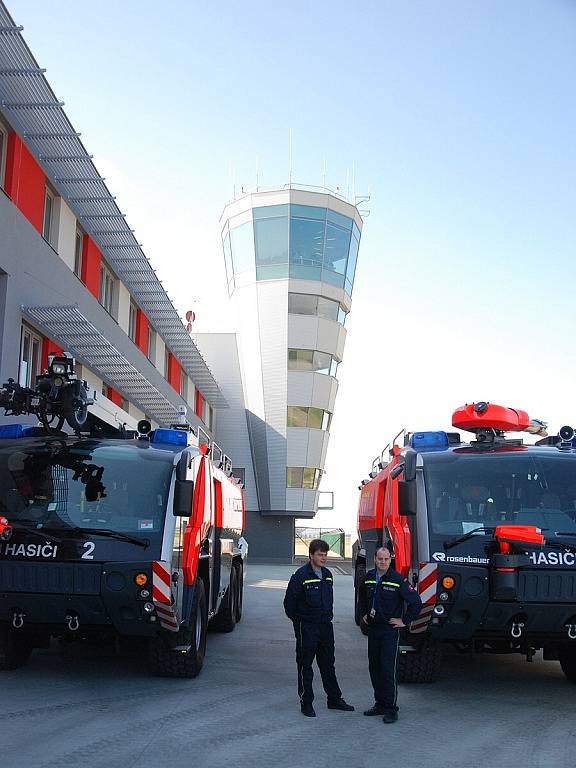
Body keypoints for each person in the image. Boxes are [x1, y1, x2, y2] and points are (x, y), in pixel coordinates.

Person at [283, 538, 354, 717]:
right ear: (311, 556)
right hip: (307, 627)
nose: (323, 558)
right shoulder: (300, 576)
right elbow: (289, 604)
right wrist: (300, 623)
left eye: (325, 555)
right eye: (320, 555)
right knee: (305, 665)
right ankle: (306, 702)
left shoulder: (328, 575)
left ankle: (334, 699)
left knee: (328, 664)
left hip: (325, 627)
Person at [359, 546, 422, 723]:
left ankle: (391, 708)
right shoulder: (369, 578)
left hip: (389, 632)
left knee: (388, 670)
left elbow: (416, 602)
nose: (383, 562)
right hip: (374, 631)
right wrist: (363, 613)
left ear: (390, 560)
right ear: (375, 558)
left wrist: (405, 621)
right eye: (380, 559)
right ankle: (379, 704)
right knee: (375, 668)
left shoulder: (397, 580)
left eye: (386, 559)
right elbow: (362, 596)